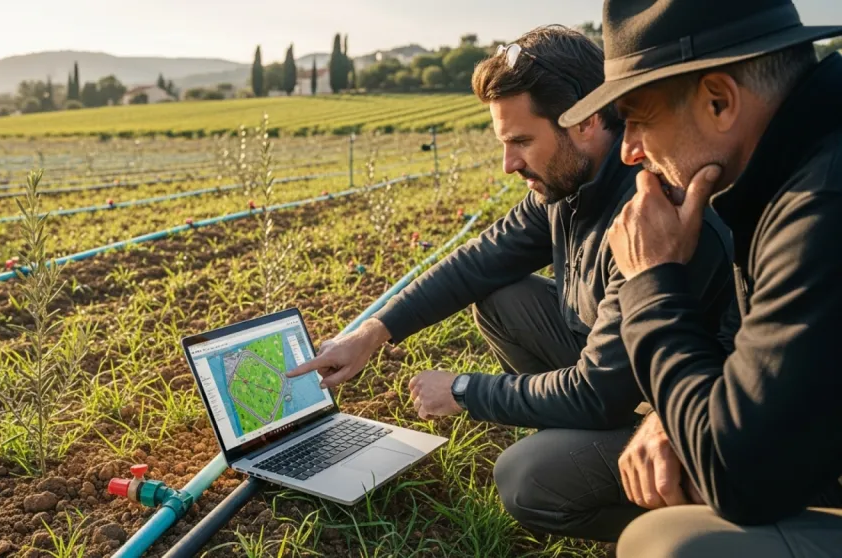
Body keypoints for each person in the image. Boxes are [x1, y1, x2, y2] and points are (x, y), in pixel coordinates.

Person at [288, 25, 734, 543]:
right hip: (624, 370)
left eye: (522, 141)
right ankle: (581, 441)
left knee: (526, 477)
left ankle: (688, 528)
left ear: (587, 121)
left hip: (692, 409)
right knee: (501, 296)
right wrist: (371, 333)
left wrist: (463, 390)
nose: (509, 164)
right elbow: (479, 261)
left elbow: (598, 391)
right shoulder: (568, 184)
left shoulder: (648, 214)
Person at [558, 0, 842, 555]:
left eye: (638, 116)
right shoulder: (787, 165)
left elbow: (740, 476)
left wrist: (650, 280)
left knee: (666, 545)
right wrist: (676, 415)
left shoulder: (821, 205)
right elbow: (763, 363)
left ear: (719, 100)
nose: (630, 149)